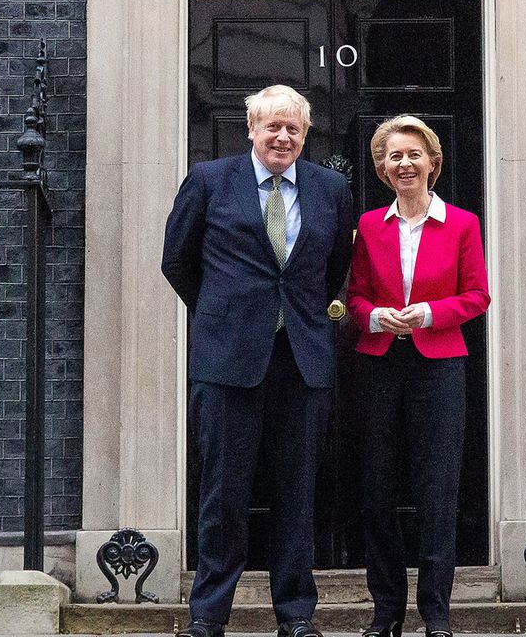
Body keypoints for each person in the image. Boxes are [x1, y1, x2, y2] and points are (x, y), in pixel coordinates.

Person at [162, 84, 357, 637]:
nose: (283, 136)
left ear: (305, 133)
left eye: (293, 127)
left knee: (298, 491)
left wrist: (304, 315)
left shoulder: (331, 188)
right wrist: (223, 314)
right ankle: (208, 615)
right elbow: (176, 259)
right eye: (272, 126)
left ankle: (296, 615)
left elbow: (334, 264)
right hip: (227, 361)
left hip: (302, 360)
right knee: (224, 491)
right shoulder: (209, 180)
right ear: (250, 128)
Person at [345, 115, 490, 637]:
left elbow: (478, 296)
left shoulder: (462, 224)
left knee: (437, 488)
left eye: (413, 154)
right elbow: (354, 296)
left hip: (439, 364)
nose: (404, 164)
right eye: (393, 156)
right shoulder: (367, 226)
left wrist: (428, 313)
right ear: (382, 168)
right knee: (378, 485)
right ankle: (386, 612)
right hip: (380, 363)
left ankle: (436, 613)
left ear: (432, 162)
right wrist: (375, 317)